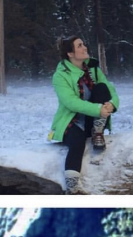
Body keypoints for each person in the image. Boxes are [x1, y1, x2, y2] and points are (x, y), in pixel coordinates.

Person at [49, 36, 119, 194]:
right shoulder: (60, 75)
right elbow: (70, 102)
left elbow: (111, 90)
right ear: (70, 53)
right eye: (79, 46)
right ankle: (72, 189)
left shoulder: (93, 68)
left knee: (101, 88)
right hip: (72, 121)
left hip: (94, 120)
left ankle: (98, 132)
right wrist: (97, 109)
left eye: (84, 44)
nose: (85, 47)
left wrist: (112, 104)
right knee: (77, 143)